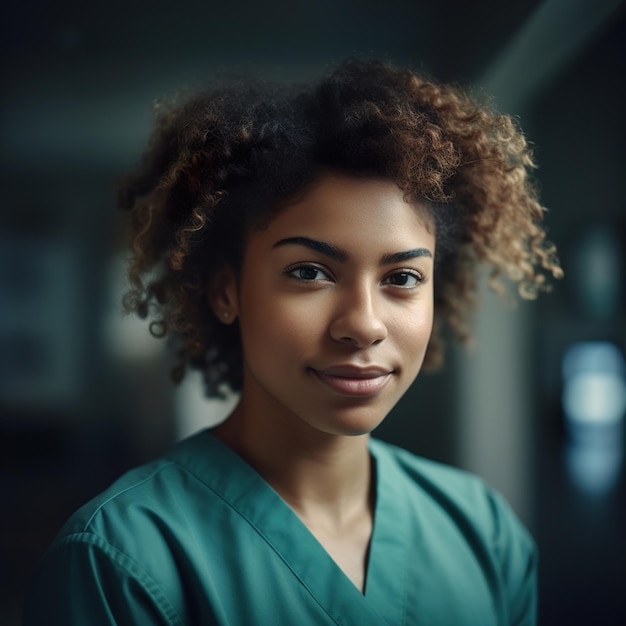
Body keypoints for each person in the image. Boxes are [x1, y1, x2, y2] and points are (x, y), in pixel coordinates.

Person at [23, 59, 562, 625]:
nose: (364, 324)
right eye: (309, 272)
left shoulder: (483, 532)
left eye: (402, 278)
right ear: (226, 291)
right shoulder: (121, 562)